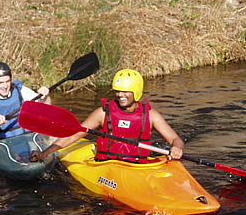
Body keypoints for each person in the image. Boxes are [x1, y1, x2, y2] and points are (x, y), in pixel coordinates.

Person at [30, 69, 184, 162]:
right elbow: (74, 135)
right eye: (117, 91)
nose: (120, 95)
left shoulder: (151, 115)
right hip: (108, 164)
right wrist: (45, 153)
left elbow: (175, 139)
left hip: (138, 166)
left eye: (125, 91)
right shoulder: (103, 113)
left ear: (136, 92)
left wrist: (176, 148)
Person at [0, 62, 51, 140]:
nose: (5, 86)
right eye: (0, 83)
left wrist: (45, 97)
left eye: (7, 81)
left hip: (28, 138)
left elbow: (46, 109)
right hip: (2, 144)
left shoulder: (21, 90)